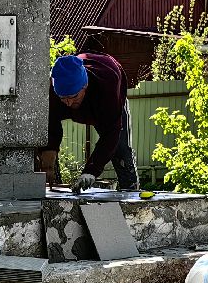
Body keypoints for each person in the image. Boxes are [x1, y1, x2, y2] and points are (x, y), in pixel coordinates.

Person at [37, 52, 140, 192]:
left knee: (120, 149)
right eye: (63, 98)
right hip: (83, 90)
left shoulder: (108, 87)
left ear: (84, 86)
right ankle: (54, 182)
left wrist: (91, 170)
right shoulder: (53, 93)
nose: (68, 103)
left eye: (73, 96)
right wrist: (48, 160)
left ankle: (131, 189)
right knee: (46, 148)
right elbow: (51, 127)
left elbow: (111, 133)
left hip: (108, 95)